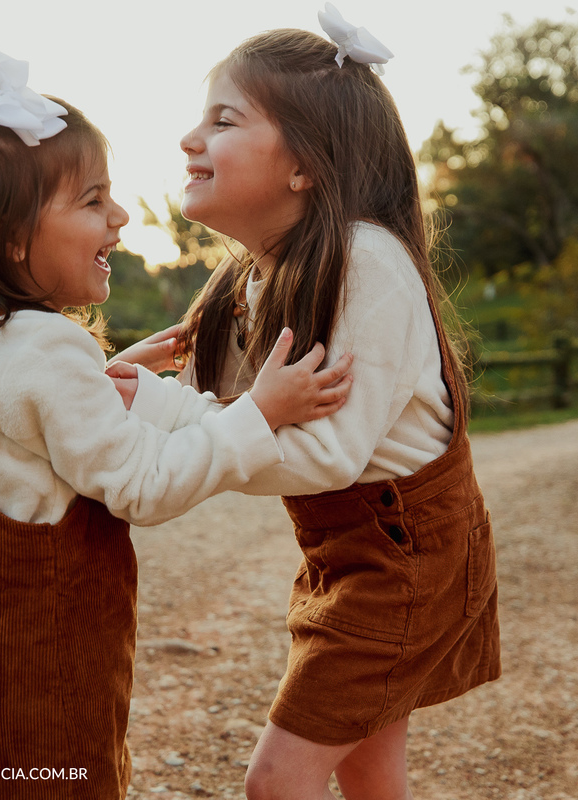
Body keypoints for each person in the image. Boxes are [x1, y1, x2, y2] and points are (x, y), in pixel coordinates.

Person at [0, 45, 351, 800]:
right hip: (44, 702)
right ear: (11, 236)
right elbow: (142, 485)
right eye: (94, 200)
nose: (121, 217)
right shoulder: (43, 347)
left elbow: (22, 427)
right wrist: (257, 413)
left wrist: (103, 379)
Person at [115, 8, 501, 798]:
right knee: (368, 771)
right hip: (345, 548)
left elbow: (321, 456)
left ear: (305, 167)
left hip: (406, 554)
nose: (191, 138)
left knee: (276, 780)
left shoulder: (366, 261)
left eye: (223, 120)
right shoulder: (244, 280)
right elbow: (217, 417)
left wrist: (161, 408)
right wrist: (133, 392)